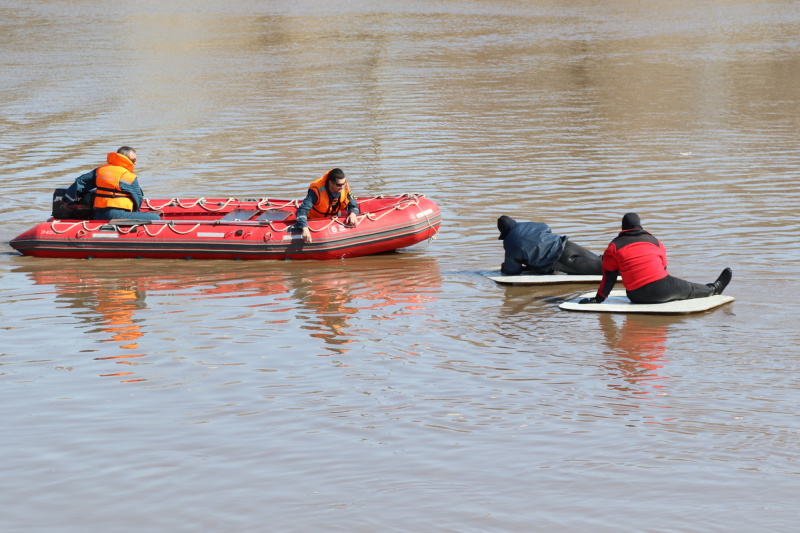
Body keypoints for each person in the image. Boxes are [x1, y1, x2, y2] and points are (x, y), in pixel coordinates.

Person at [580, 212, 732, 305]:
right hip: (662, 289)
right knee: (689, 288)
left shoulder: (613, 246)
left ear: (623, 228)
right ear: (639, 225)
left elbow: (609, 277)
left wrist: (598, 300)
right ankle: (714, 289)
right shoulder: (655, 241)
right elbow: (663, 268)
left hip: (636, 296)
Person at [64, 146, 160, 221]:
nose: (136, 163)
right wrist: (135, 213)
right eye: (134, 160)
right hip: (116, 214)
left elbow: (80, 182)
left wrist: (67, 201)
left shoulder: (100, 170)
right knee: (155, 218)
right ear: (126, 158)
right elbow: (138, 199)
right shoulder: (128, 176)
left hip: (99, 214)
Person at [497, 215, 602, 275]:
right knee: (600, 261)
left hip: (559, 260)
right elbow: (546, 228)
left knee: (603, 271)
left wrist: (505, 268)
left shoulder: (510, 241)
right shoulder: (528, 224)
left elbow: (513, 270)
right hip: (566, 245)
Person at [295, 168, 359, 243]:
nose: (342, 187)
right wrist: (305, 228)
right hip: (315, 220)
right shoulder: (316, 190)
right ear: (331, 183)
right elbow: (302, 210)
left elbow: (353, 205)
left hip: (334, 219)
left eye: (343, 183)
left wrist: (353, 214)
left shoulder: (345, 187)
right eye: (339, 185)